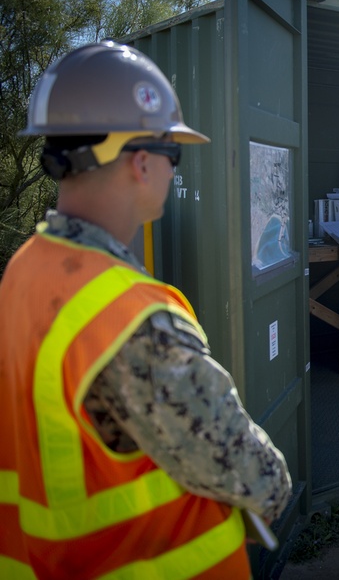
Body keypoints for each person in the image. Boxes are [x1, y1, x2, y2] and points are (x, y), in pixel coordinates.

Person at [0, 41, 292, 578]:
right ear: (140, 162)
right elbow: (257, 477)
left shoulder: (24, 269)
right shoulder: (128, 317)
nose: (171, 169)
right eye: (172, 154)